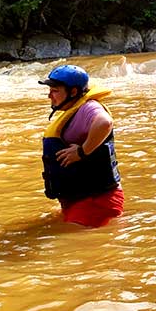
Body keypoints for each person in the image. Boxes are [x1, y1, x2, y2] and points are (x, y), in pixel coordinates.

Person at [39, 64, 123, 227]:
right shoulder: (75, 110)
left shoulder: (89, 107)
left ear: (74, 92)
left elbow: (105, 122)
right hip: (80, 198)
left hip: (95, 200)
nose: (49, 95)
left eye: (55, 90)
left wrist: (82, 152)